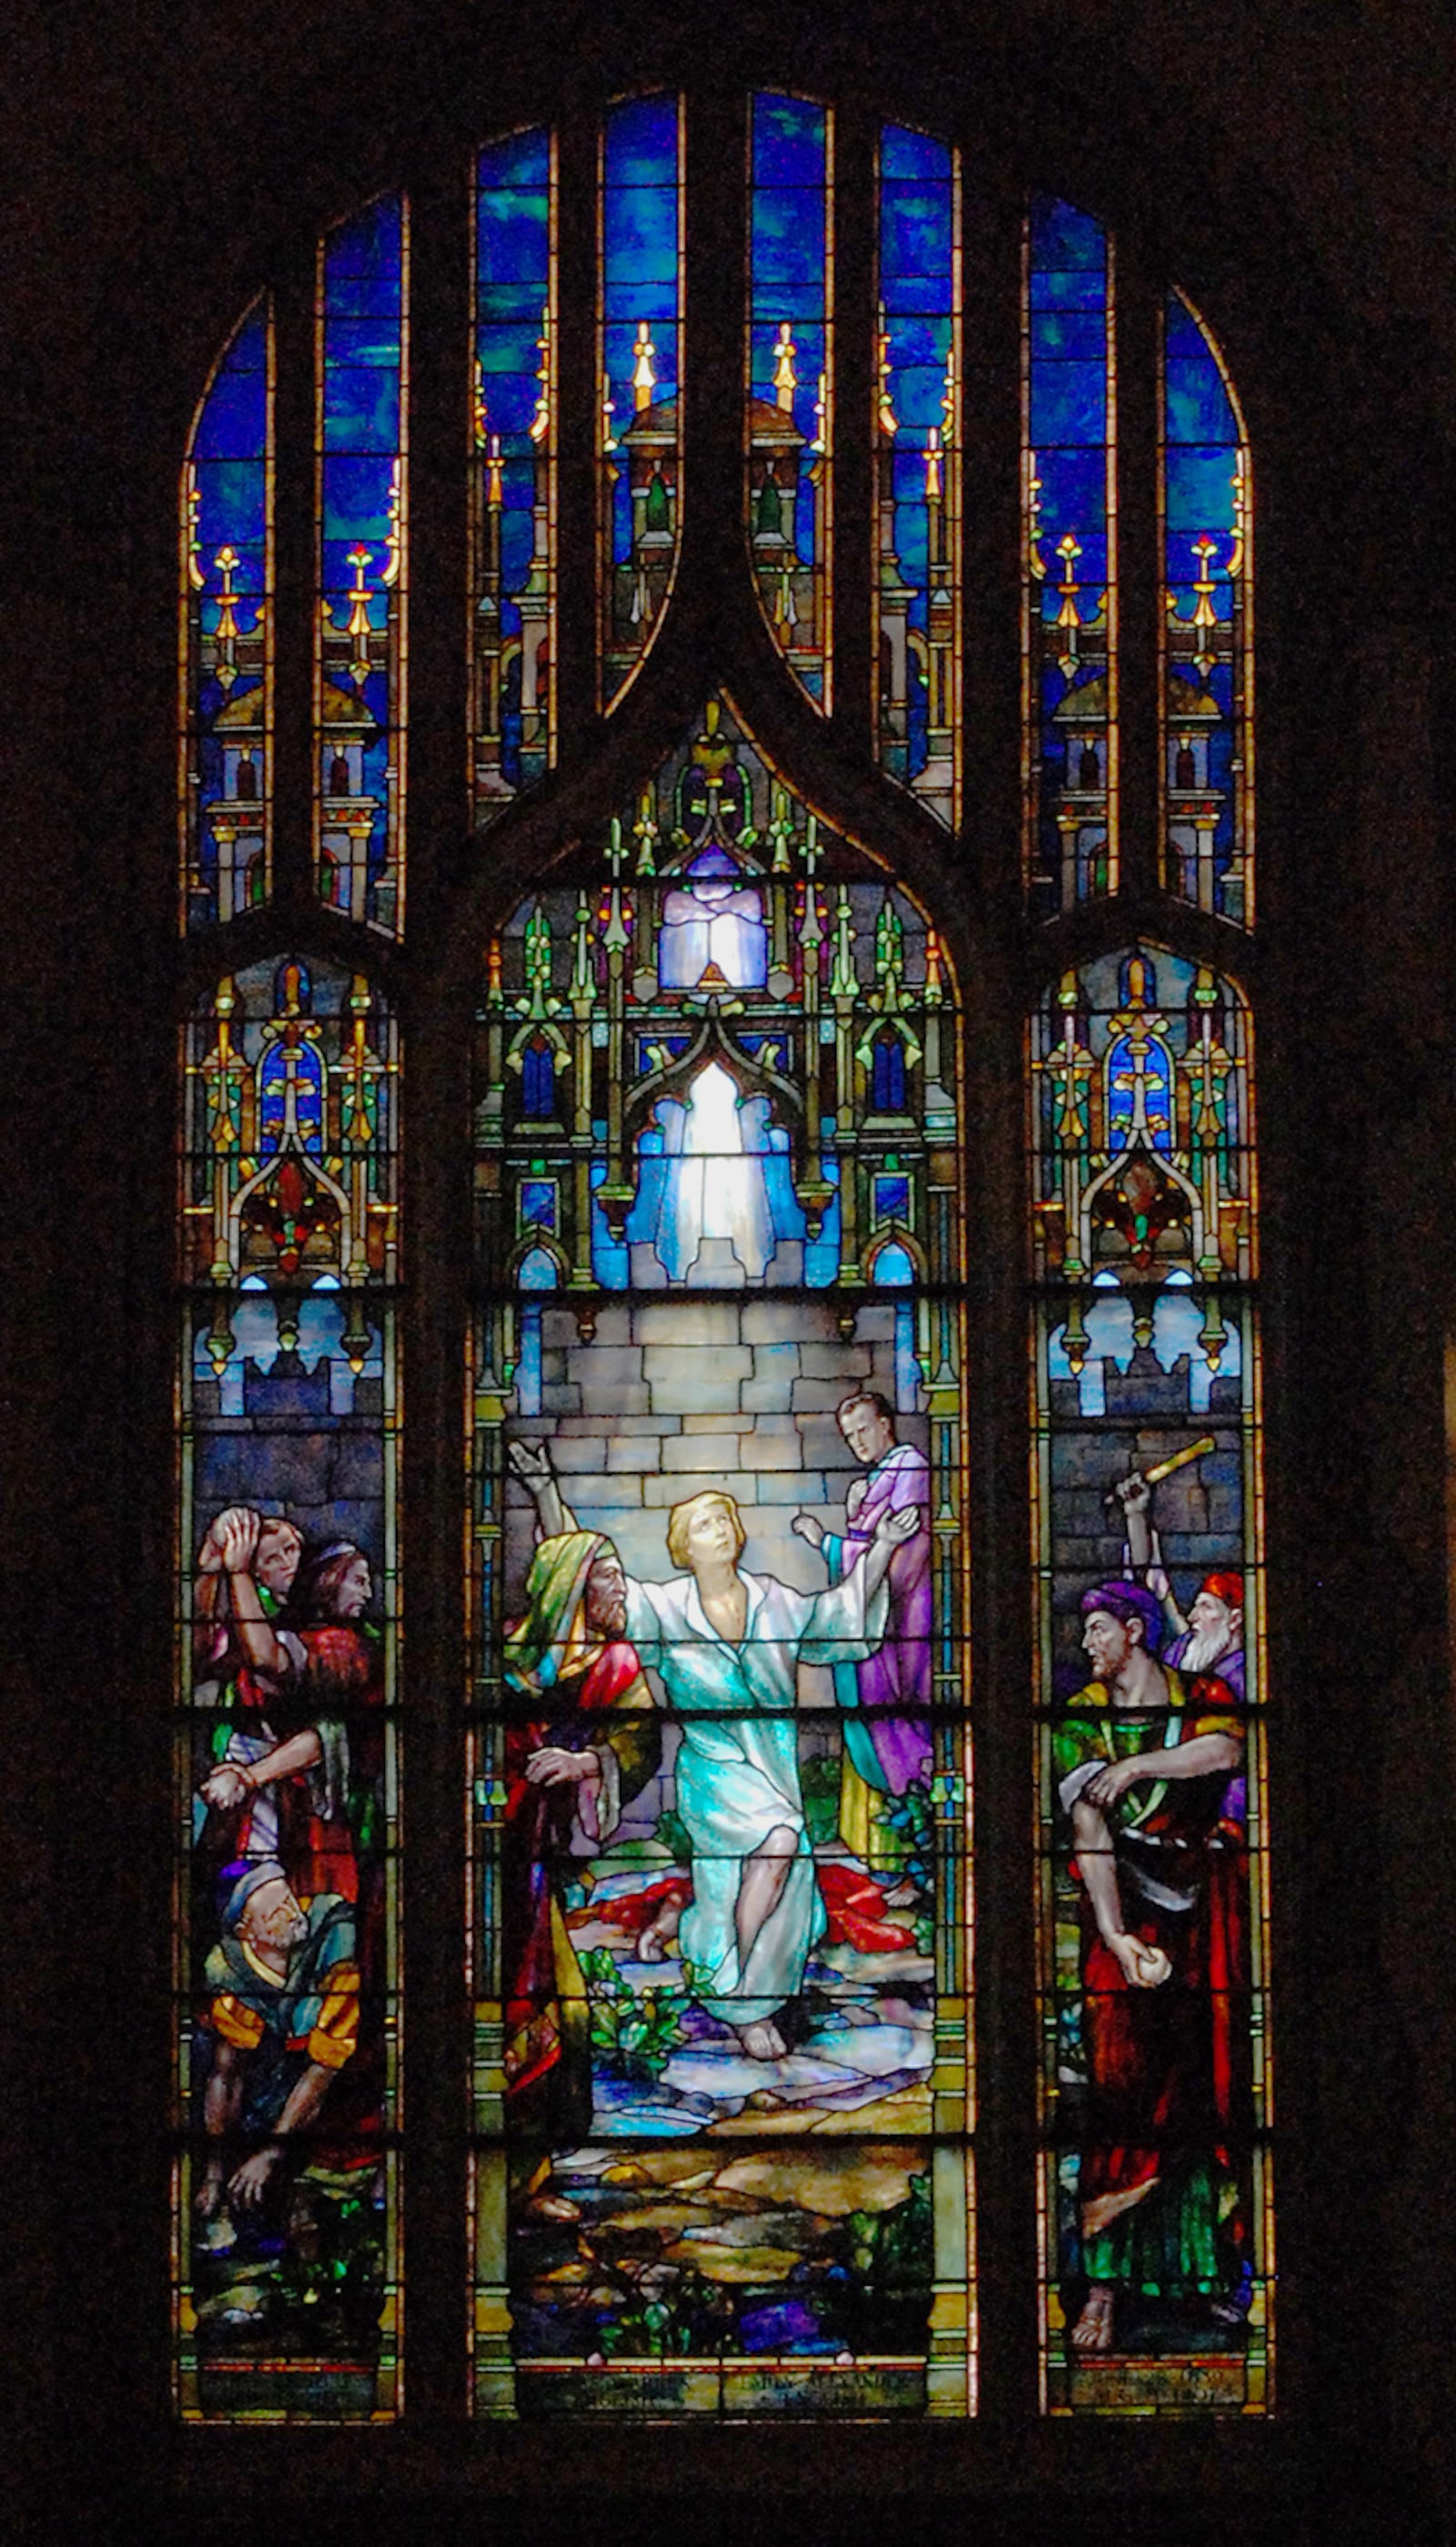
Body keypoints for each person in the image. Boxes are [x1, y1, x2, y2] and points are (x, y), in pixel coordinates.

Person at [509, 1441, 917, 2061]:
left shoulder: (776, 1601)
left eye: (724, 1517)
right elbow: (580, 1572)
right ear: (684, 1546)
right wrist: (545, 1492)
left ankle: (738, 1986)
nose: (719, 1528)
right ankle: (738, 1991)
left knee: (778, 1888)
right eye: (703, 1522)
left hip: (772, 1766)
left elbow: (843, 1620)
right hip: (713, 1772)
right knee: (777, 1845)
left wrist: (883, 1545)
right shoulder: (663, 1608)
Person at [1054, 1578, 1248, 2357]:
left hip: (1207, 1915)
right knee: (1120, 2086)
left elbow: (1227, 1747)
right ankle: (1102, 2285)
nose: (1087, 1645)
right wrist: (1115, 1933)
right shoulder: (1077, 1721)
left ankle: (1210, 2280)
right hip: (1124, 1915)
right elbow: (1088, 1830)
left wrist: (1139, 1768)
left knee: (1206, 2083)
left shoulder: (1201, 1693)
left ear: (1135, 1630)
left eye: (1098, 1629)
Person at [501, 1529, 660, 2146]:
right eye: (608, 1573)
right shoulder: (508, 1656)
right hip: (489, 1842)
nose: (620, 1584)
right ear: (573, 1587)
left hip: (543, 1848)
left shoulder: (616, 1665)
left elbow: (637, 1739)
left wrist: (584, 1764)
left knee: (555, 2002)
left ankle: (531, 2166)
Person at [197, 1517, 383, 1906]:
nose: (289, 1563)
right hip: (254, 1806)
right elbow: (202, 1652)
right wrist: (212, 1564)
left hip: (315, 1816)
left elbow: (269, 1661)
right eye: (271, 1557)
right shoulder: (267, 1623)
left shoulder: (342, 1645)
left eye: (293, 1550)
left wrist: (248, 1777)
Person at [793, 1390, 933, 1868]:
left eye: (864, 1430)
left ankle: (910, 1860)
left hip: (897, 1624)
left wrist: (828, 1542)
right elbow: (874, 1549)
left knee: (895, 1724)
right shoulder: (878, 1478)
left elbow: (904, 1557)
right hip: (871, 1626)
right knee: (871, 1729)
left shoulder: (909, 1467)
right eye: (849, 1436)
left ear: (887, 1424)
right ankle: (884, 1859)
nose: (857, 1442)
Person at [194, 1859, 359, 2225]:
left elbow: (327, 2062)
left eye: (288, 1899)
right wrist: (214, 2172)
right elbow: (226, 2073)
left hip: (335, 2080)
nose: (290, 1915)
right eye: (273, 1915)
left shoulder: (332, 1930)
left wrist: (272, 2151)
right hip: (266, 2079)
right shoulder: (228, 1970)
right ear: (246, 1931)